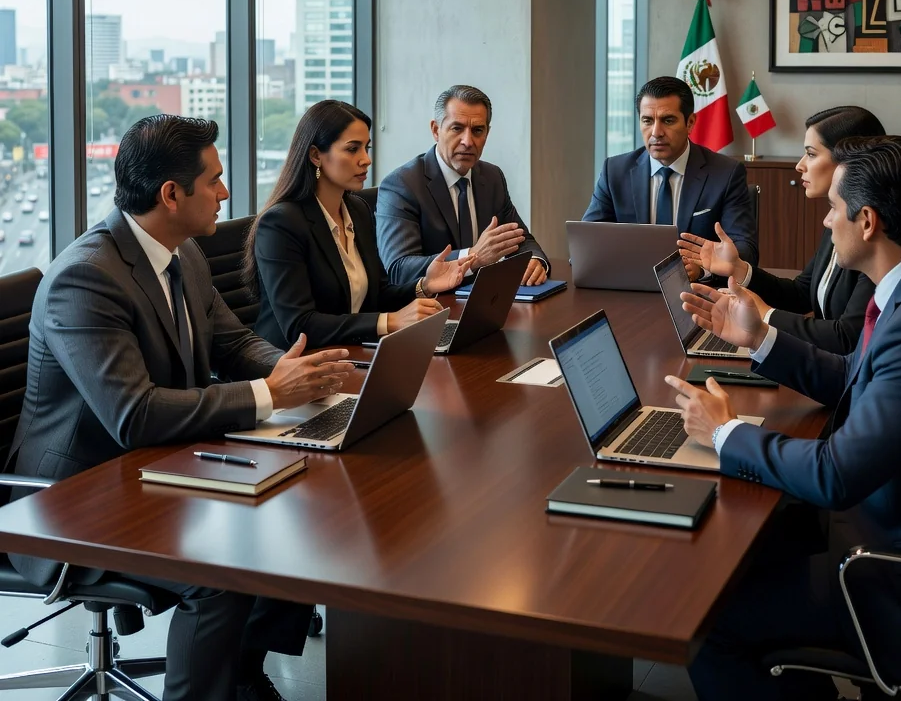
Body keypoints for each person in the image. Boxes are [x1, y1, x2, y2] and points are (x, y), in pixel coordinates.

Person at [7, 115, 355, 701]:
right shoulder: (86, 279)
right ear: (172, 195)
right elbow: (134, 414)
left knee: (296, 515)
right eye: (215, 181)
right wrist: (272, 394)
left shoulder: (182, 252)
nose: (225, 193)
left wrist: (296, 372)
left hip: (149, 468)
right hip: (69, 502)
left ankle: (241, 677)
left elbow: (232, 340)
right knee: (217, 576)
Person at [667, 136, 901, 700]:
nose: (826, 220)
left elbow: (836, 474)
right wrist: (761, 339)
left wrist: (724, 432)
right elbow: (852, 378)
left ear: (867, 222)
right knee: (752, 548)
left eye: (834, 208)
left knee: (706, 620)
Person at [247, 100, 472, 349]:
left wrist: (424, 286)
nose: (366, 160)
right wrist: (389, 322)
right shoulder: (281, 224)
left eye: (367, 148)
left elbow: (377, 295)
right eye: (353, 149)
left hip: (348, 351)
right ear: (315, 156)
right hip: (292, 363)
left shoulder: (358, 210)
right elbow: (300, 325)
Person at [679, 105, 885, 352]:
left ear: (848, 161)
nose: (799, 165)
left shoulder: (871, 232)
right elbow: (801, 294)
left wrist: (765, 316)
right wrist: (739, 269)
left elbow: (848, 337)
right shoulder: (835, 221)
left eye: (810, 154)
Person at [582, 75, 757, 279]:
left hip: (697, 294)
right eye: (647, 120)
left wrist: (703, 269)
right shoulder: (615, 171)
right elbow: (588, 243)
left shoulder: (726, 173)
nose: (656, 132)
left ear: (690, 123)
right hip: (630, 288)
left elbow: (745, 249)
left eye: (668, 120)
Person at [377, 84, 550, 286]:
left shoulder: (492, 176)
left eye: (477, 130)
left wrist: (535, 261)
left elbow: (520, 239)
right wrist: (473, 257)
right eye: (457, 128)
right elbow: (399, 269)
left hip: (484, 298)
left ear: (487, 133)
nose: (468, 141)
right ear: (436, 130)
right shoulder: (402, 184)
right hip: (431, 306)